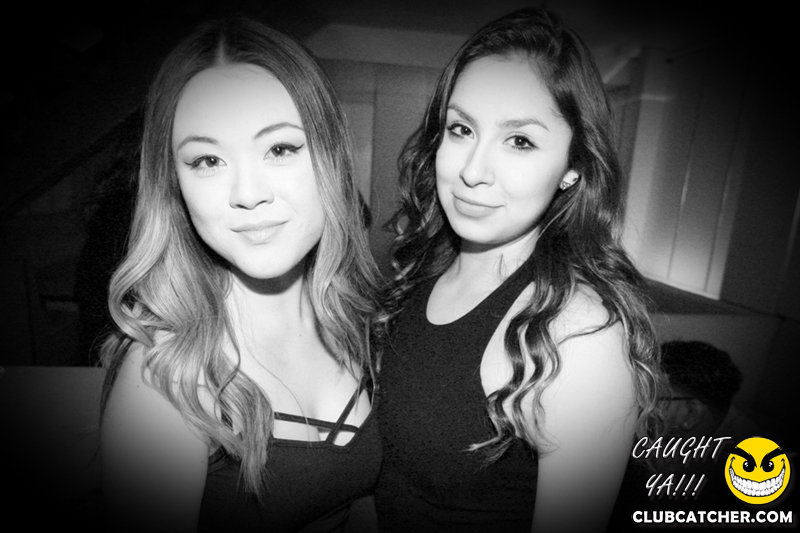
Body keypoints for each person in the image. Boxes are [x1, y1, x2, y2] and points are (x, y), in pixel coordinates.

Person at [374, 7, 664, 533]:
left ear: (573, 167)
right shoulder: (422, 271)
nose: (472, 170)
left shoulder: (578, 332)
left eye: (520, 141)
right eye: (461, 129)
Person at [99, 17, 381, 532]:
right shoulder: (167, 378)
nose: (247, 193)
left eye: (280, 149)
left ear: (332, 157)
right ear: (174, 185)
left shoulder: (358, 323)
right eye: (207, 160)